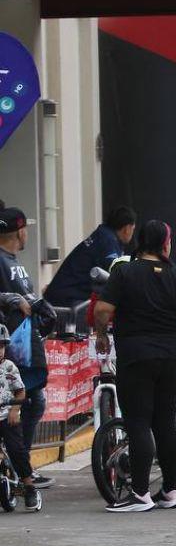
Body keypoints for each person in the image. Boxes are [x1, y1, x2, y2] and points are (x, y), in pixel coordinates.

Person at [93, 220, 176, 512]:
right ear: (165, 243)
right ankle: (169, 492)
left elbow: (103, 310)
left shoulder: (124, 271)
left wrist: (103, 333)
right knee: (165, 422)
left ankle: (140, 493)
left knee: (139, 422)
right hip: (172, 354)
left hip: (137, 354)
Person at [0, 207, 58, 491]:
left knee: (33, 403)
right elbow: (13, 299)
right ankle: (18, 467)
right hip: (9, 349)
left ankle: (18, 465)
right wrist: (11, 299)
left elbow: (29, 298)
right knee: (22, 405)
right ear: (20, 231)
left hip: (24, 346)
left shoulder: (14, 262)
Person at [43, 206, 136, 310]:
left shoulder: (104, 235)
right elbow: (117, 274)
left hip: (63, 295)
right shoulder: (108, 241)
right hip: (69, 300)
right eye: (133, 229)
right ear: (127, 229)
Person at [0, 325, 40, 511]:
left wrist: (15, 409)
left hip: (7, 415)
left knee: (16, 450)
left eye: (1, 346)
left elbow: (20, 391)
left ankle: (29, 485)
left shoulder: (9, 367)